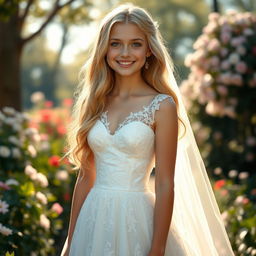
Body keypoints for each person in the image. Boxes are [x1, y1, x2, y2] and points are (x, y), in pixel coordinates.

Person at [61, 3, 234, 256]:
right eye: (115, 43)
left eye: (136, 44)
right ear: (105, 48)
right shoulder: (95, 101)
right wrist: (70, 240)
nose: (125, 52)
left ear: (149, 49)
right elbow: (86, 177)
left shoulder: (162, 106)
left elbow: (164, 183)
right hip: (93, 220)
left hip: (137, 220)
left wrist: (158, 248)